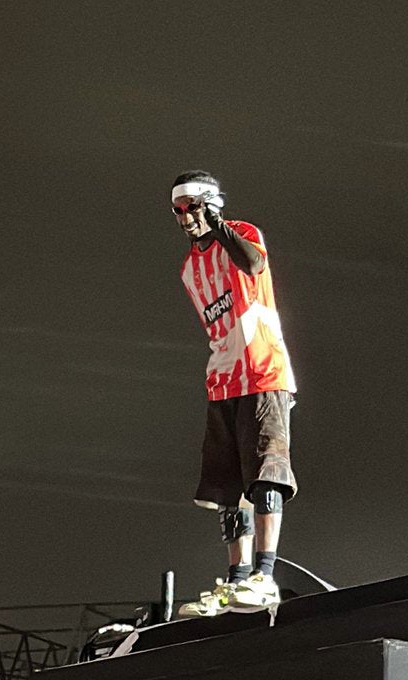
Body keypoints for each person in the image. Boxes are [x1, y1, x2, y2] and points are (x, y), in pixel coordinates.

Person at [172, 170, 298, 617]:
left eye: (192, 206)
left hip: (263, 369)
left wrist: (219, 223)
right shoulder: (190, 268)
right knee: (228, 488)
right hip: (222, 377)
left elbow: (254, 266)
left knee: (265, 470)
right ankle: (237, 579)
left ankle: (265, 576)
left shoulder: (243, 234)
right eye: (177, 210)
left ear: (211, 203)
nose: (185, 217)